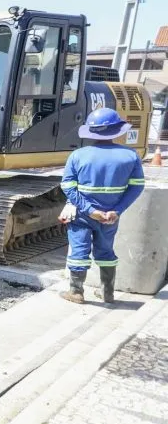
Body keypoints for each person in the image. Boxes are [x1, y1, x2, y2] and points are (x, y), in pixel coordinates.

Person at [60, 107, 145, 304]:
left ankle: (76, 292)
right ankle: (108, 293)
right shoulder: (130, 156)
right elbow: (136, 188)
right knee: (106, 251)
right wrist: (116, 210)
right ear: (117, 130)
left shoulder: (78, 155)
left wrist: (91, 211)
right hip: (110, 217)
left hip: (82, 215)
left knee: (79, 250)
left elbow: (68, 188)